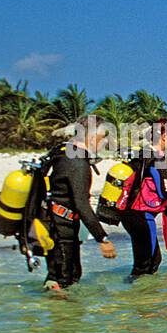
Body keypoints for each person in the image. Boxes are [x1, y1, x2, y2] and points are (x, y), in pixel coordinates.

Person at [42, 121, 117, 291]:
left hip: (54, 224)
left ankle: (65, 314)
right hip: (61, 229)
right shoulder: (77, 163)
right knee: (62, 280)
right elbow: (82, 204)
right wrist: (102, 239)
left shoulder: (63, 153)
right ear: (90, 137)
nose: (105, 142)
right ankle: (62, 315)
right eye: (103, 137)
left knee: (69, 275)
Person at [122, 119, 167, 279]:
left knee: (150, 262)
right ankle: (135, 298)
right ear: (163, 136)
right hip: (141, 217)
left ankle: (137, 298)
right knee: (147, 264)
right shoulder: (156, 158)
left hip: (131, 215)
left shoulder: (143, 154)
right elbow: (164, 192)